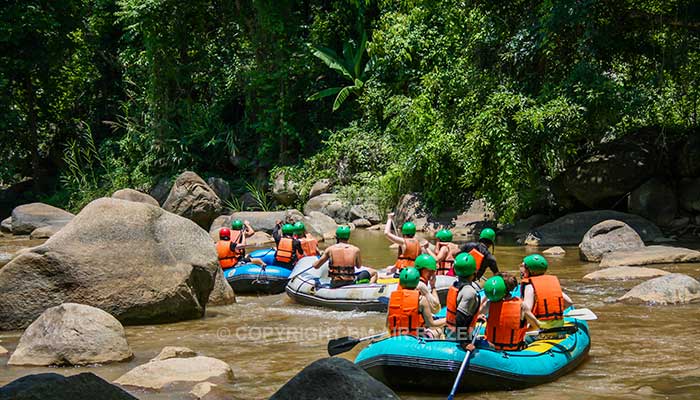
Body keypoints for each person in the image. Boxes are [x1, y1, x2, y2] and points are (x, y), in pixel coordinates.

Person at [479, 276, 540, 351]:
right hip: (514, 348)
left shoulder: (489, 304)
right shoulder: (521, 306)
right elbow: (536, 326)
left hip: (491, 348)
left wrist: (486, 297)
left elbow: (475, 315)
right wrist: (523, 331)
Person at [387, 267, 445, 338]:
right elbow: (431, 324)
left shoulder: (393, 298)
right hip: (415, 338)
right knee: (439, 330)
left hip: (396, 336)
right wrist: (448, 320)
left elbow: (387, 324)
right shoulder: (421, 300)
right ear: (417, 281)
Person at [520, 254, 573, 330]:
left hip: (540, 326)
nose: (521, 269)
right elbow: (569, 302)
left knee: (522, 307)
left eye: (523, 267)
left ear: (530, 271)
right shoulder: (551, 283)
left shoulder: (530, 286)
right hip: (558, 324)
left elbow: (526, 309)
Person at [312, 226, 377, 288]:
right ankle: (369, 288)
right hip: (350, 282)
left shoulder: (330, 249)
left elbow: (316, 266)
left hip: (335, 283)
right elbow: (358, 266)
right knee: (374, 272)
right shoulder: (356, 250)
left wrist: (313, 263)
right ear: (348, 237)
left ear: (337, 236)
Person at [445, 253, 481, 341]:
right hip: (458, 338)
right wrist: (464, 343)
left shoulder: (455, 285)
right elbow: (460, 319)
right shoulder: (469, 292)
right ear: (474, 271)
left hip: (450, 333)